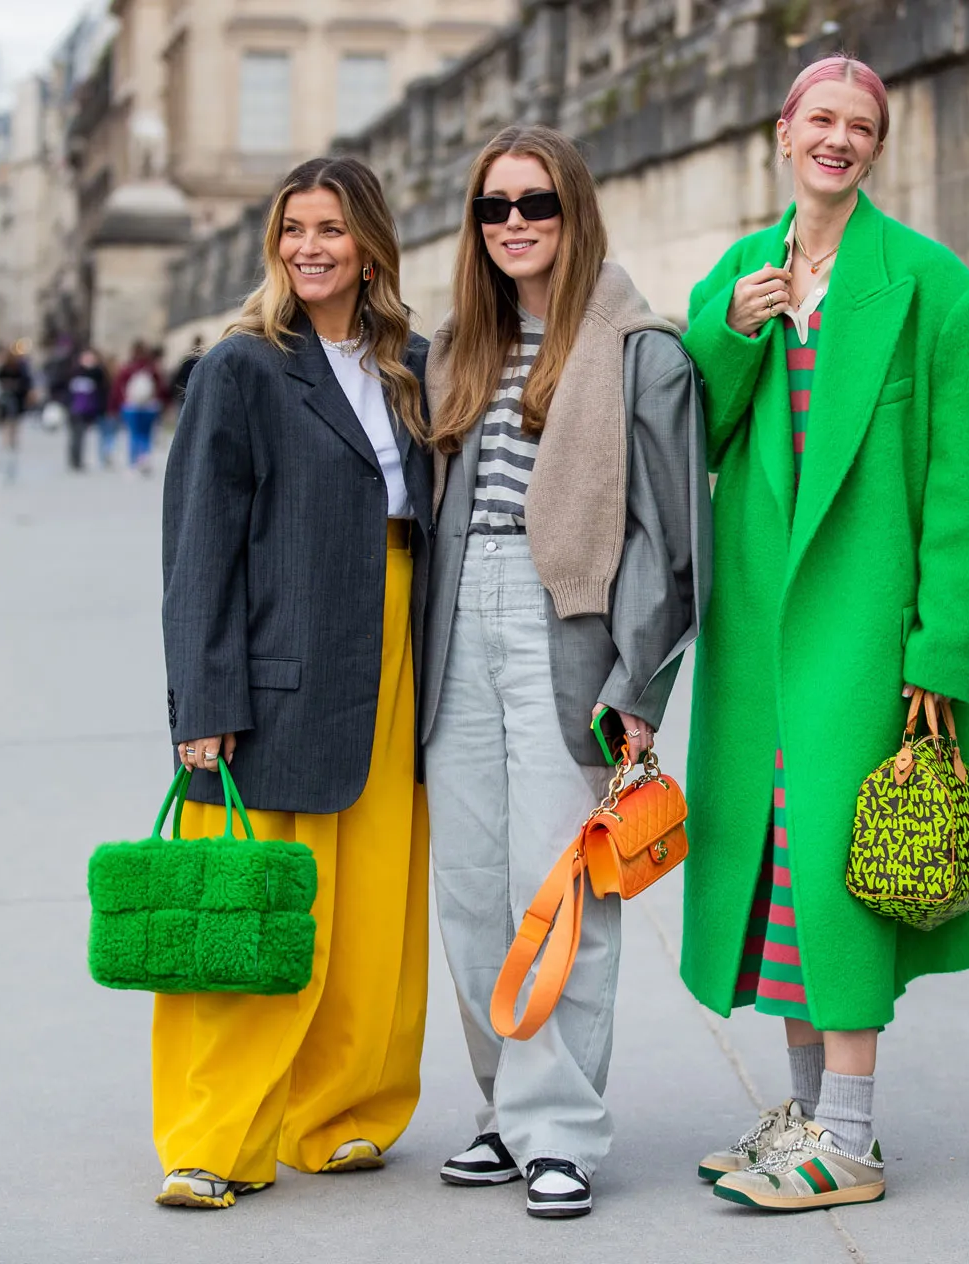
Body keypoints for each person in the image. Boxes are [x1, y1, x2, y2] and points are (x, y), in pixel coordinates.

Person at [677, 55, 969, 1212]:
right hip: (759, 636)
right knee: (778, 873)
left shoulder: (935, 292)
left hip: (870, 642)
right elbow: (696, 438)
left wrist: (942, 651)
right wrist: (730, 334)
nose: (838, 140)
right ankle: (810, 1119)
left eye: (858, 126)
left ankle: (851, 1143)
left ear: (874, 146)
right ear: (783, 132)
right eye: (820, 119)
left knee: (844, 870)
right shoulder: (738, 275)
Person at [420, 124, 706, 1220]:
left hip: (567, 626)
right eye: (494, 207)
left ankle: (561, 1128)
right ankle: (502, 1108)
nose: (514, 224)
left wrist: (637, 685)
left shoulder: (640, 351)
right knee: (474, 887)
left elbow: (668, 541)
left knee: (564, 890)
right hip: (459, 626)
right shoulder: (456, 349)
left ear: (573, 209)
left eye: (534, 202)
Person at [157, 155, 433, 1210]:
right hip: (281, 659)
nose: (308, 248)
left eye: (329, 229)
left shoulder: (408, 359)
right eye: (291, 230)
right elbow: (198, 547)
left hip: (398, 647)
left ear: (368, 243)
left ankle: (341, 1112)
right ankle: (211, 1136)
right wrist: (204, 702)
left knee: (374, 903)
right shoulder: (242, 367)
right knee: (251, 910)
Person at [113, 341, 166, 473]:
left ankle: (134, 461)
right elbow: (161, 388)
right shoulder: (152, 368)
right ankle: (145, 457)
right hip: (150, 406)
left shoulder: (127, 368)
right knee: (146, 434)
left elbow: (118, 388)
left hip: (131, 406)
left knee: (134, 434)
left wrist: (119, 404)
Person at [64, 349, 108, 471]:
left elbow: (102, 387)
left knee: (81, 434)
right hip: (74, 407)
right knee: (75, 435)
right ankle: (74, 459)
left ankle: (77, 459)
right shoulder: (74, 371)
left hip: (87, 408)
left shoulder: (97, 372)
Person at [0, 347, 33, 451]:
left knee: (14, 421)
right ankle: (7, 441)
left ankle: (12, 441)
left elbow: (25, 382)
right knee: (7, 421)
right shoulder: (3, 368)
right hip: (7, 397)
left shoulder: (19, 368)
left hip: (17, 398)